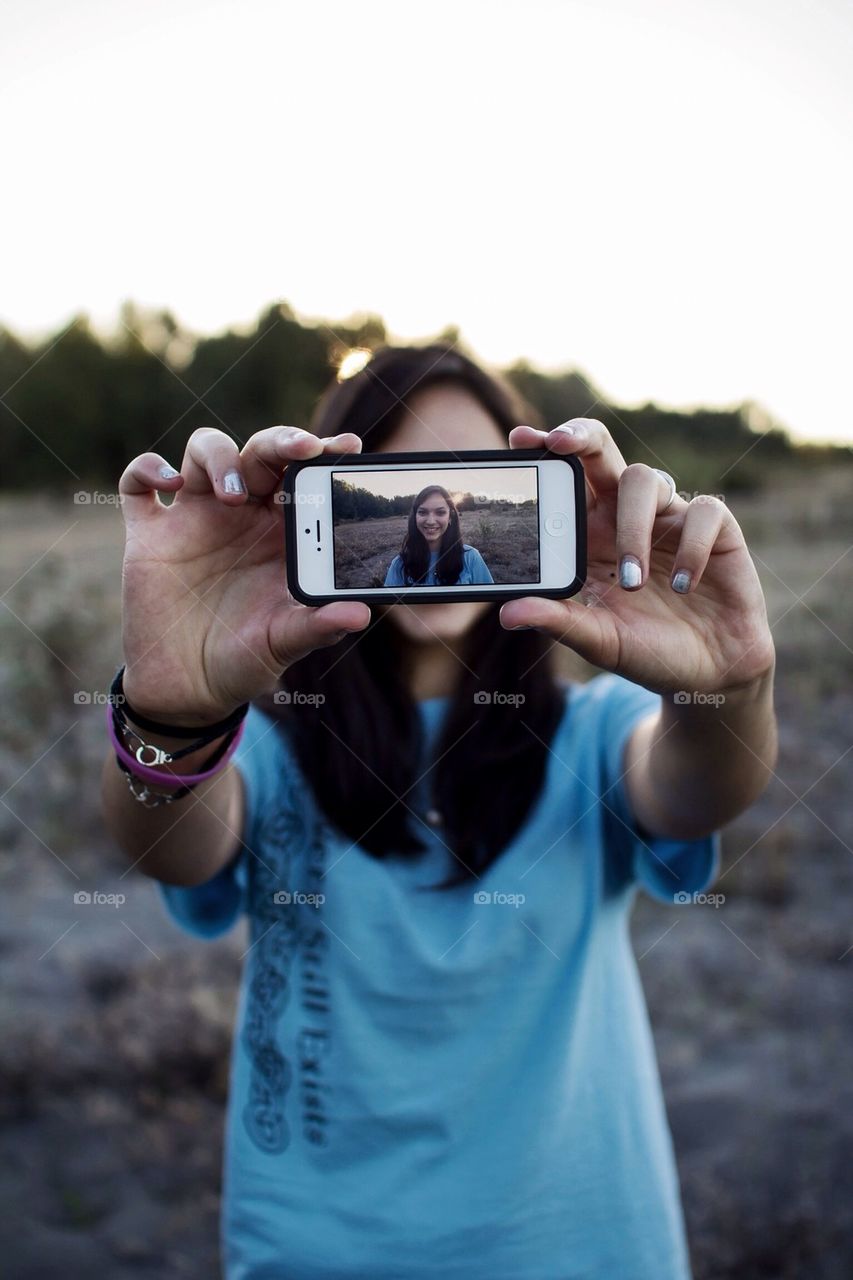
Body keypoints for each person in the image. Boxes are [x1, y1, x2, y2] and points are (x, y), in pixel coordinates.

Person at [101, 344, 777, 1280]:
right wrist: (174, 714)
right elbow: (171, 848)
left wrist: (732, 692)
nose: (433, 503)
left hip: (577, 1247)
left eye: (462, 482)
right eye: (396, 482)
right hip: (314, 1252)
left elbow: (699, 783)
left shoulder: (591, 732)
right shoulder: (263, 736)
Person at [383, 483, 494, 587]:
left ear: (450, 517)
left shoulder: (471, 558)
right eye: (423, 512)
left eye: (440, 512)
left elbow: (490, 602)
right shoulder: (399, 564)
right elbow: (388, 606)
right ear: (415, 517)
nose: (431, 521)